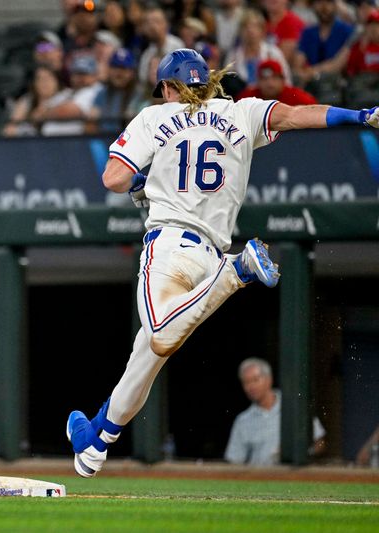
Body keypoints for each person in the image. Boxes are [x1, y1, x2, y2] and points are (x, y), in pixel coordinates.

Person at [65, 48, 379, 478]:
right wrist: (359, 116)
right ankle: (96, 441)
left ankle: (239, 271)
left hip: (172, 246)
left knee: (157, 334)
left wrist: (143, 177)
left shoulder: (154, 117)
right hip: (206, 255)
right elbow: (301, 115)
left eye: (165, 89)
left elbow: (113, 178)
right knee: (145, 356)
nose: (165, 96)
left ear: (171, 87)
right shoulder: (243, 111)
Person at [225, 358, 326, 465]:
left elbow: (320, 443)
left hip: (293, 478)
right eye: (246, 382)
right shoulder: (243, 420)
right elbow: (235, 460)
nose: (251, 387)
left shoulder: (294, 408)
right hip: (259, 479)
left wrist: (298, 454)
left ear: (269, 379)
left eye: (255, 380)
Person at [35, 54, 102, 137]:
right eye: (77, 74)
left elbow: (67, 111)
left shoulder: (95, 90)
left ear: (94, 75)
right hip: (51, 140)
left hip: (72, 141)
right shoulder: (67, 92)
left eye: (84, 74)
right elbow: (37, 113)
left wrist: (45, 114)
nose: (80, 78)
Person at [225, 9, 292, 86]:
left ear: (262, 30)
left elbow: (286, 81)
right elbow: (227, 85)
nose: (250, 30)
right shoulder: (233, 55)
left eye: (255, 26)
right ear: (240, 31)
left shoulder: (273, 53)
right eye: (246, 27)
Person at [89, 48, 146, 135]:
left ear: (132, 72)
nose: (118, 73)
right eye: (115, 67)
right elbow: (90, 124)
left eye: (123, 68)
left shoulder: (139, 95)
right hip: (102, 141)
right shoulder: (102, 93)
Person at [3, 66, 68, 137]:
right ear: (34, 83)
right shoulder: (28, 99)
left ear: (57, 81)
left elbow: (39, 117)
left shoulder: (65, 96)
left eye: (48, 78)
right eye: (39, 79)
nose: (44, 82)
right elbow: (10, 129)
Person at [236, 59, 317, 105]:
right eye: (264, 79)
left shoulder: (296, 96)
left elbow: (313, 107)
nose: (270, 83)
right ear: (258, 82)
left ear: (282, 80)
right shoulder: (248, 98)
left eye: (274, 78)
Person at [137, 7, 184, 84]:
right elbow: (143, 80)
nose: (152, 26)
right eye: (148, 23)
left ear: (166, 24)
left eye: (157, 21)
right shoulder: (147, 55)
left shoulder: (178, 46)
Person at [346, 10, 379, 75]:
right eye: (370, 25)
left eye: (377, 25)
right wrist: (361, 50)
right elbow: (351, 70)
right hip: (364, 79)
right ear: (366, 28)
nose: (373, 28)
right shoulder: (359, 46)